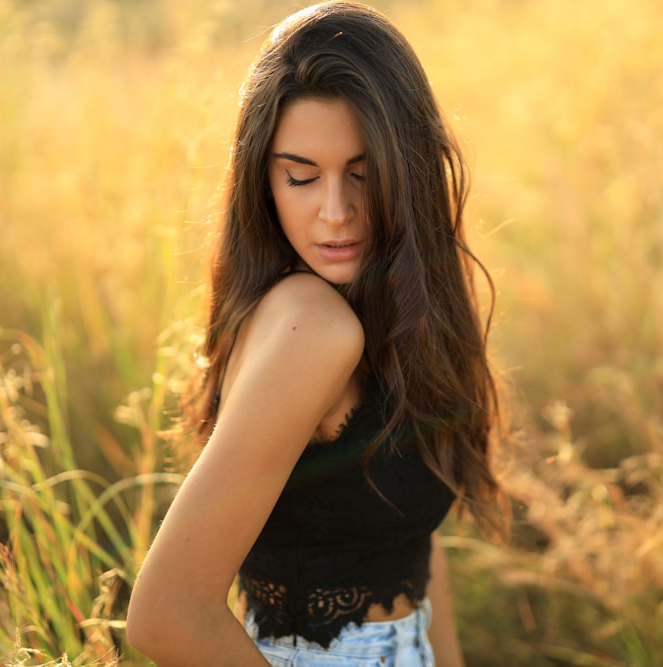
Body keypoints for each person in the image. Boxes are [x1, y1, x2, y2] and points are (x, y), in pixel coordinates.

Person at [126, 2, 507, 665]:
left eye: (363, 174)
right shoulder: (315, 327)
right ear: (263, 180)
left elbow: (408, 541)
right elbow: (165, 615)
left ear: (408, 170)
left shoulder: (369, 308)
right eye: (301, 176)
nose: (336, 212)